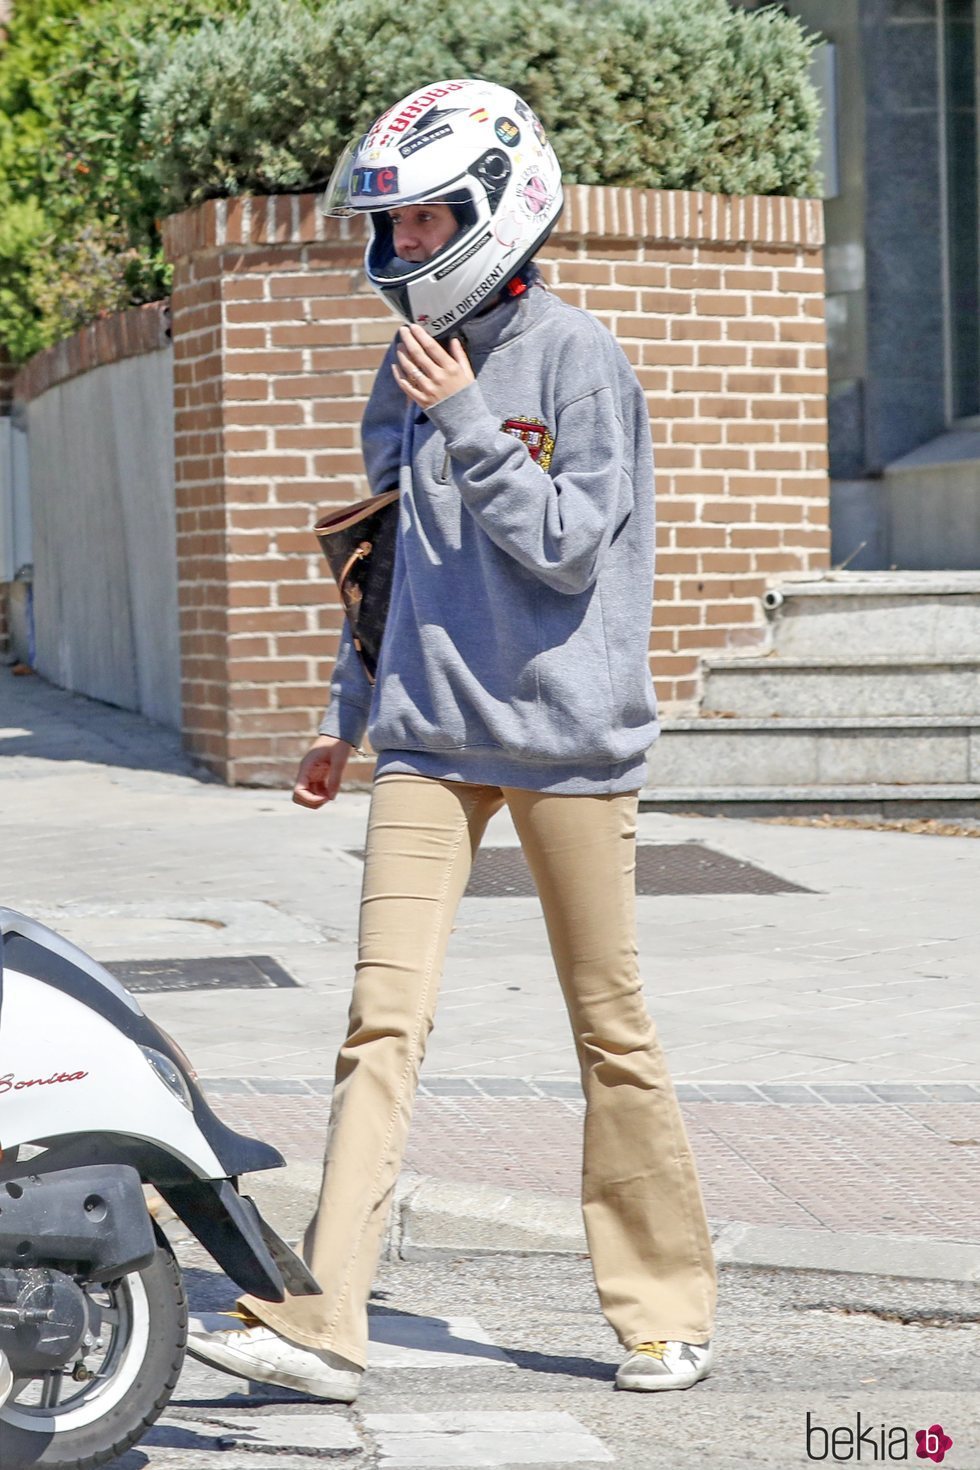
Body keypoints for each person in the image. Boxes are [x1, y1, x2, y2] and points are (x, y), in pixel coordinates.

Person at [188, 77, 717, 1400]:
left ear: (500, 211)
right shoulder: (402, 371)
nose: (403, 250)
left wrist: (472, 418)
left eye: (427, 225)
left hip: (566, 745)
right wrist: (340, 718)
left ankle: (665, 1308)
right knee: (380, 1022)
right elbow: (382, 567)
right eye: (396, 229)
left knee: (610, 1027)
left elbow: (565, 546)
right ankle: (328, 1317)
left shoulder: (577, 355)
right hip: (427, 738)